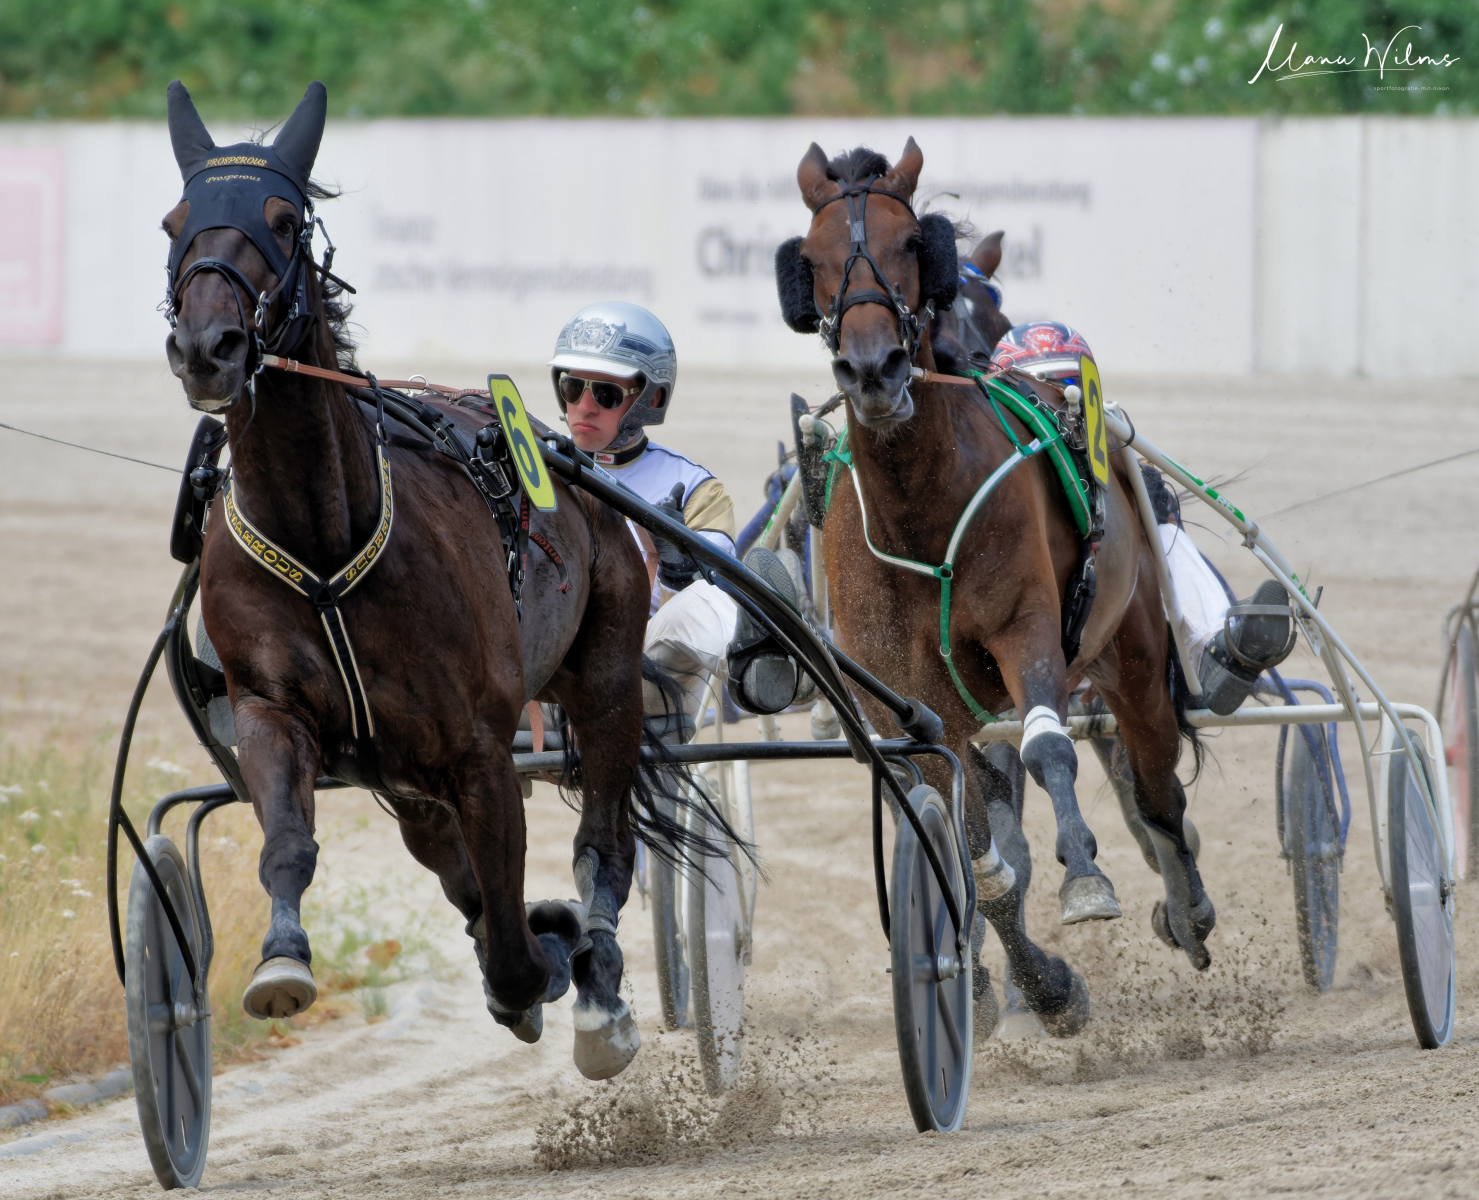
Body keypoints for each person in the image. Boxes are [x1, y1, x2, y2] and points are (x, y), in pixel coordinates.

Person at [548, 302, 738, 731]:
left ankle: (762, 667)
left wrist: (676, 569)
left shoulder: (697, 489)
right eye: (572, 387)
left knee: (700, 599)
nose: (584, 407)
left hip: (643, 671)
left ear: (650, 399)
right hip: (544, 671)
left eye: (606, 394)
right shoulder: (530, 470)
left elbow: (717, 596)